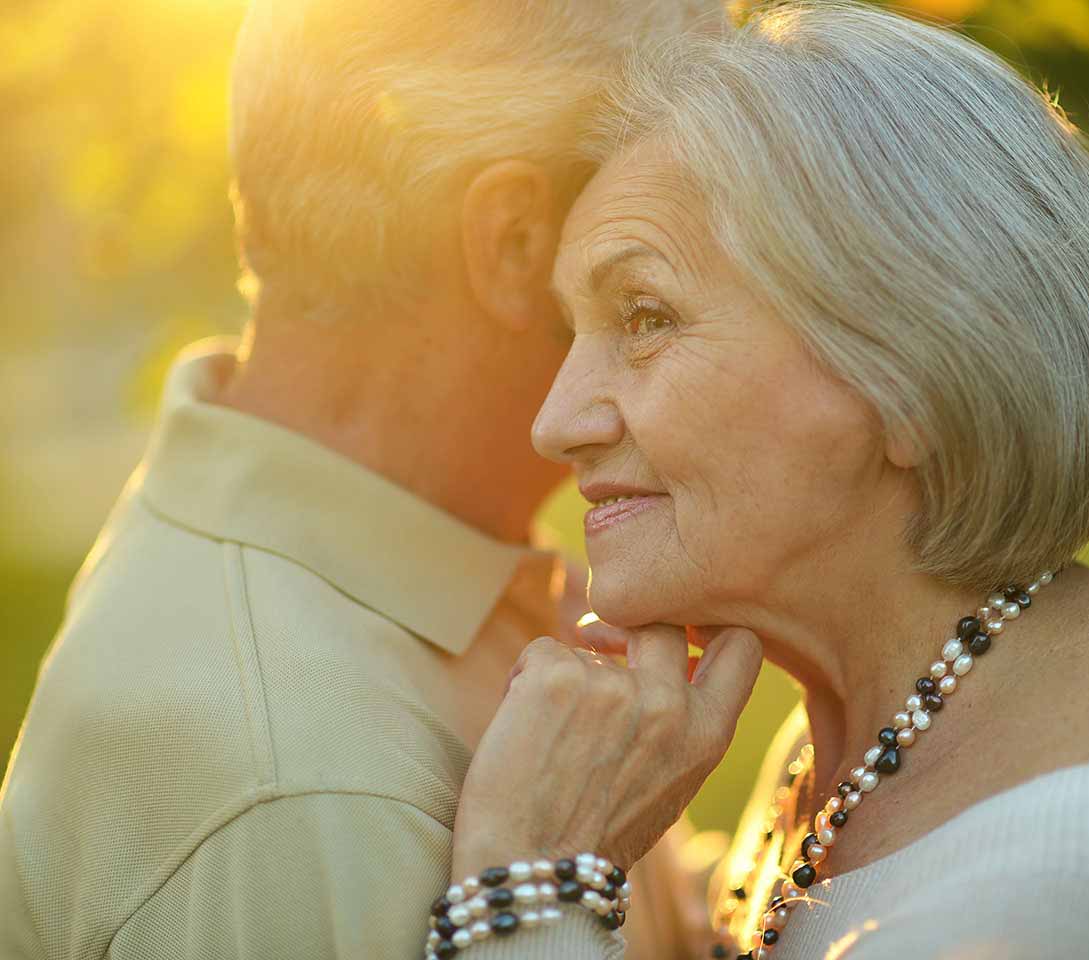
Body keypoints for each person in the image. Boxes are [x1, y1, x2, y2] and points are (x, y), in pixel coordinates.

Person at [443, 4, 1089, 959]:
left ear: (915, 375)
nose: (557, 424)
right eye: (575, 332)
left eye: (644, 315)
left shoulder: (1072, 901)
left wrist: (532, 883)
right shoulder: (861, 736)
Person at [0, 2, 726, 958]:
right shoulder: (313, 795)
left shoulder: (374, 569)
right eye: (697, 209)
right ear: (514, 242)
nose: (734, 265)